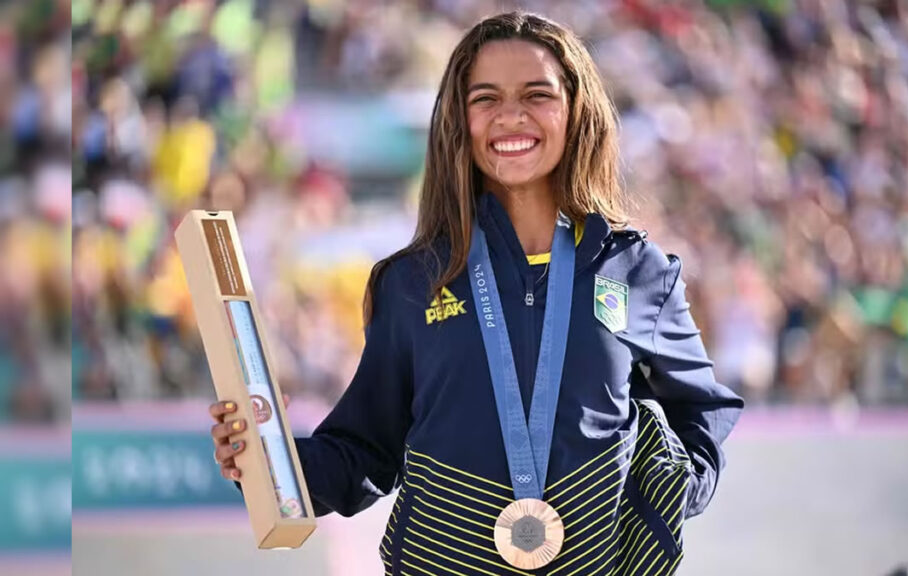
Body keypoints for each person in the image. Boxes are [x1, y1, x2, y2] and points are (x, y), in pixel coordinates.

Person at [209, 11, 743, 575]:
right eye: (486, 98)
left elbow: (702, 409)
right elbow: (365, 448)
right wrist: (271, 462)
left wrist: (669, 494)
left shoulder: (635, 270)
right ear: (459, 120)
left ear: (575, 109)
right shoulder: (414, 282)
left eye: (537, 94)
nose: (511, 116)